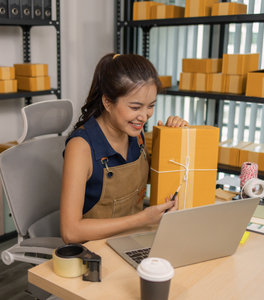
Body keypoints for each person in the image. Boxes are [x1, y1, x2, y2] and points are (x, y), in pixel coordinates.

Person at [60, 53, 188, 244]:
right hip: (94, 252)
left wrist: (173, 138)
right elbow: (70, 232)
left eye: (150, 106)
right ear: (108, 102)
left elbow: (151, 176)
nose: (144, 116)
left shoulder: (136, 135)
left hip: (133, 239)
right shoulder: (80, 147)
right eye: (135, 107)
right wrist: (142, 219)